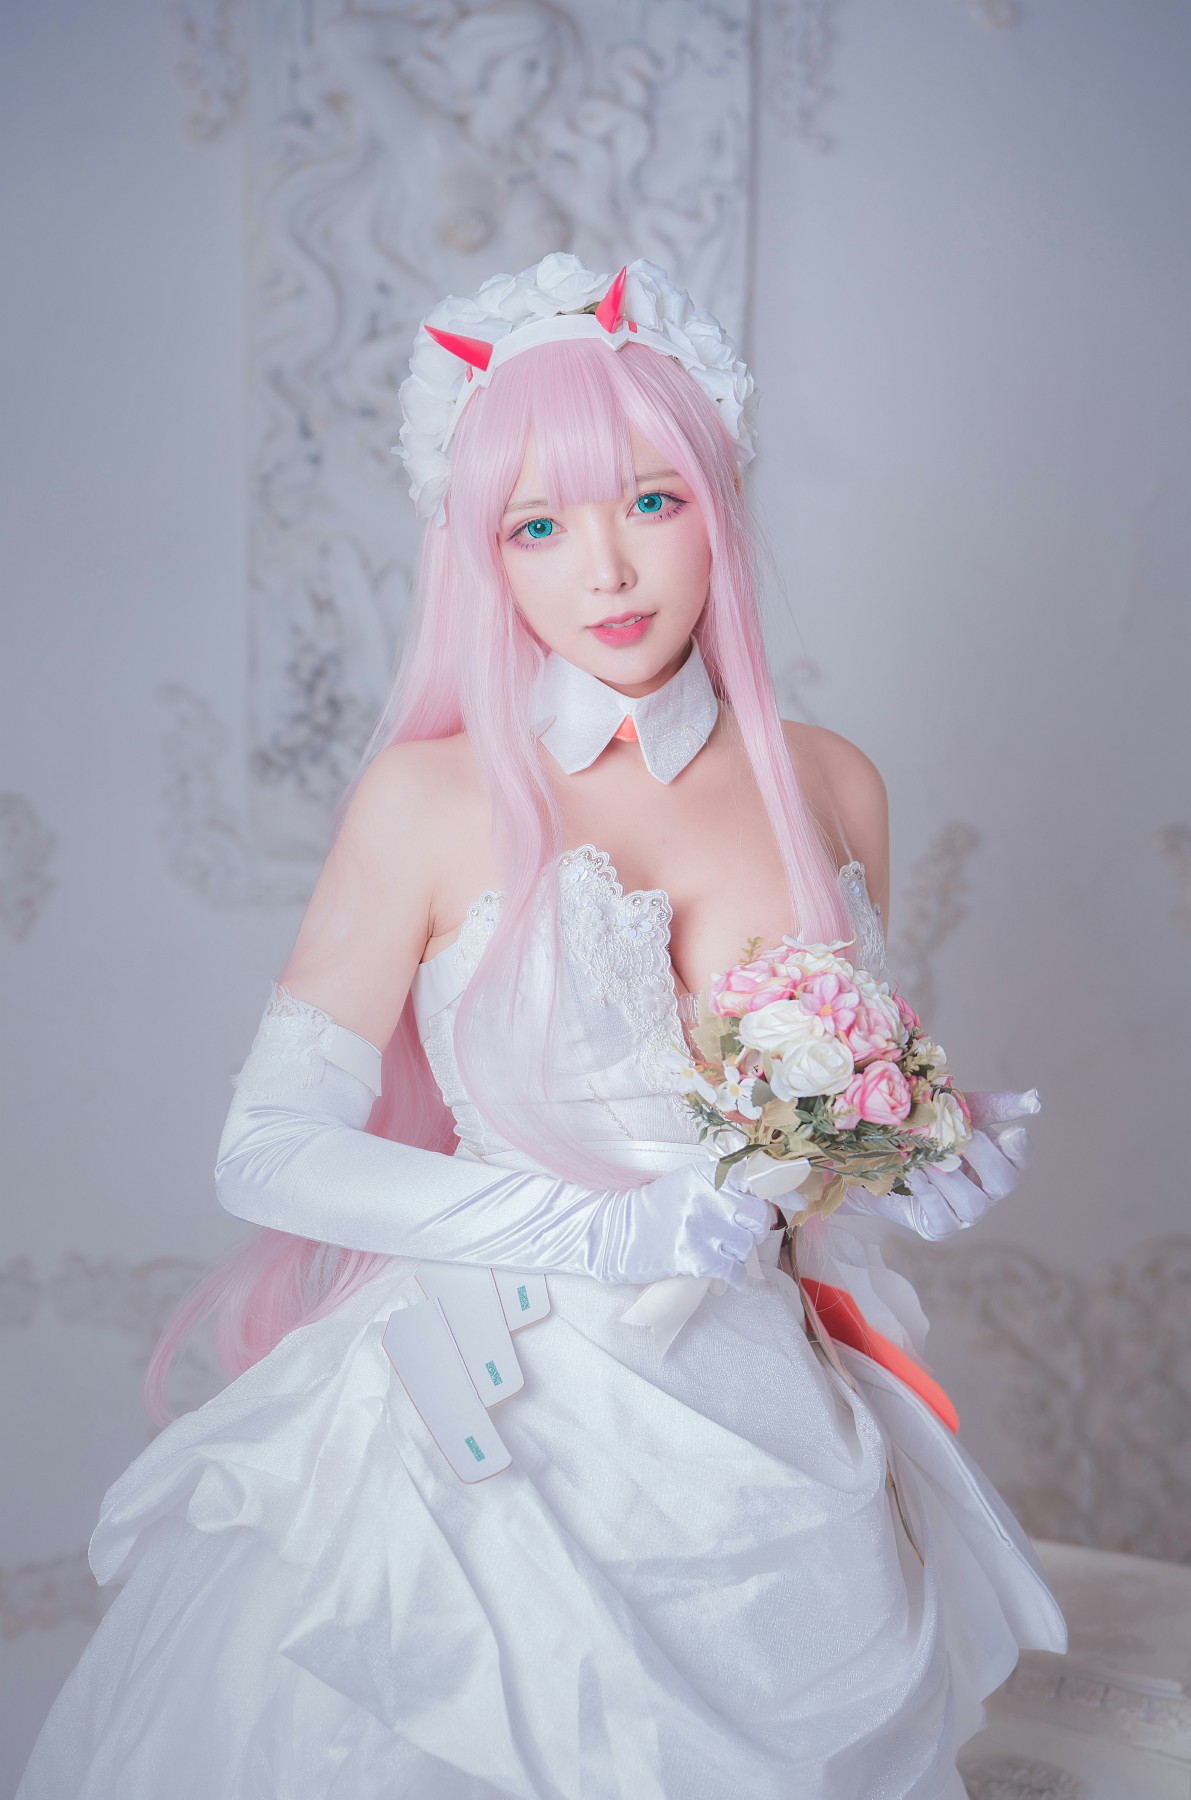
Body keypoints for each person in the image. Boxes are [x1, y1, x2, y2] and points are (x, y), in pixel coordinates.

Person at [17, 253, 1065, 1799]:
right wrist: (601, 1229)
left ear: (720, 500)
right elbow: (266, 1149)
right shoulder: (429, 798)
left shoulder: (832, 782)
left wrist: (908, 1157)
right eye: (539, 526)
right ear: (482, 555)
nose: (609, 570)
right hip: (491, 1421)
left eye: (651, 501)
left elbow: (790, 1149)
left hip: (770, 1430)